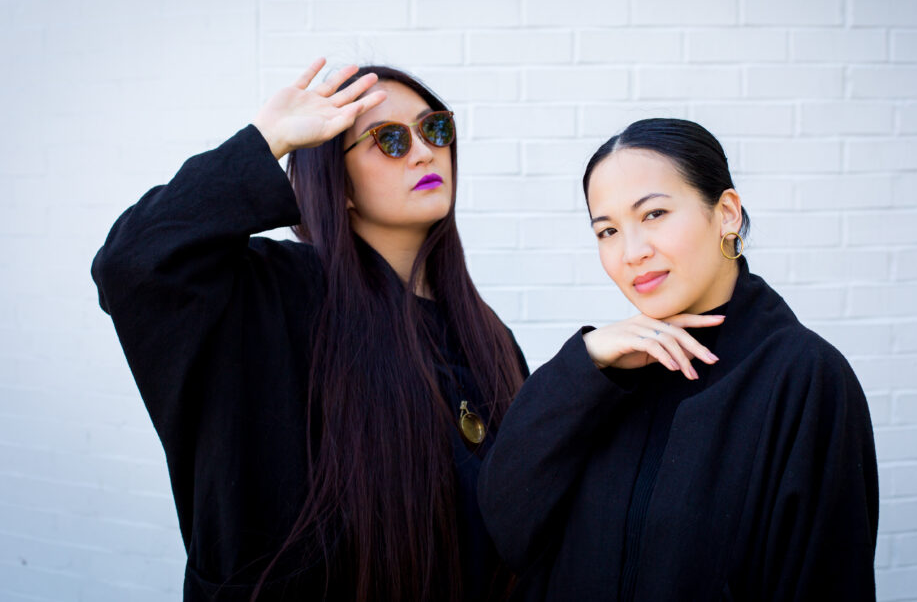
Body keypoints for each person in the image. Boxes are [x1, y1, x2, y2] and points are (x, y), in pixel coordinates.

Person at [91, 60, 565, 601]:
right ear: (338, 187)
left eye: (435, 128)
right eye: (387, 139)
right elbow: (131, 264)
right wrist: (265, 141)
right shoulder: (276, 295)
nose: (424, 151)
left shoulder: (488, 336)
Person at [478, 118, 879, 601]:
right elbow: (508, 530)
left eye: (653, 215)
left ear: (726, 213)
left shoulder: (803, 376)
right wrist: (583, 366)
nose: (631, 252)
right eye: (607, 230)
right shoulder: (603, 377)